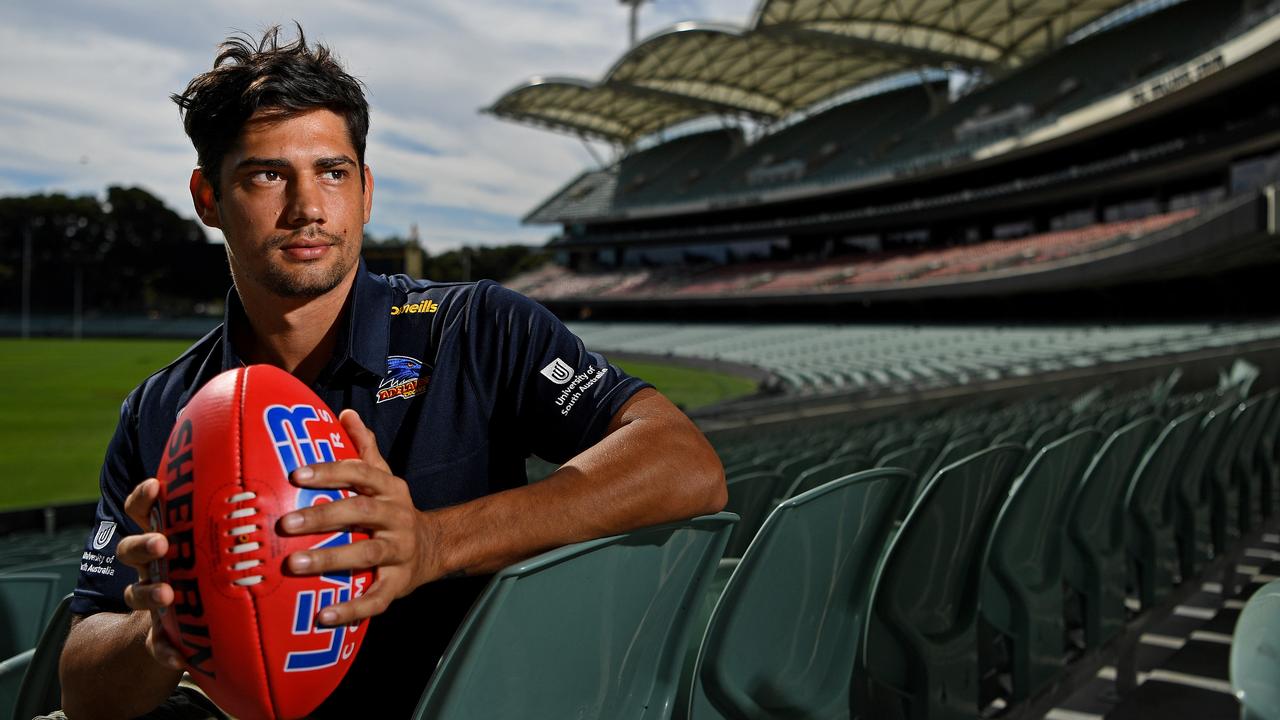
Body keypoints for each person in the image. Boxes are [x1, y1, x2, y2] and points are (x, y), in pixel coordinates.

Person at [57, 25, 726, 720]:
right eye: (266, 175)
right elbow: (82, 689)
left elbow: (685, 462)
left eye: (332, 172)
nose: (308, 208)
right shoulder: (162, 408)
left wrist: (434, 542)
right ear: (207, 198)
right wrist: (164, 631)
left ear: (366, 191)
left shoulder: (475, 325)